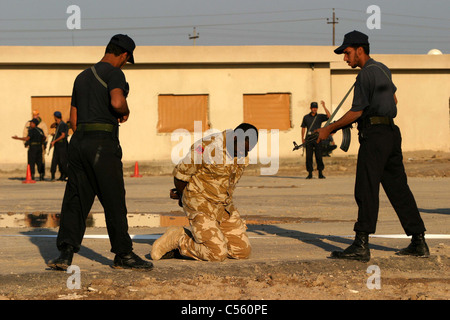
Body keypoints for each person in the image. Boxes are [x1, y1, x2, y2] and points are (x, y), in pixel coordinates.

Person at [315, 30, 428, 262]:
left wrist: (328, 129)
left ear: (359, 50)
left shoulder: (365, 75)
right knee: (399, 189)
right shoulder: (383, 69)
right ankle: (419, 241)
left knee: (366, 188)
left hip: (374, 136)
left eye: (347, 53)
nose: (345, 59)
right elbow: (394, 100)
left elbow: (356, 112)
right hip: (391, 134)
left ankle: (361, 244)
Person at [48, 34, 153, 271]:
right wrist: (125, 110)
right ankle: (123, 255)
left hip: (79, 142)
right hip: (102, 144)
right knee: (113, 198)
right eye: (127, 59)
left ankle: (65, 253)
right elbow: (117, 103)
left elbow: (73, 118)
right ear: (124, 55)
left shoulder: (82, 76)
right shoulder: (115, 73)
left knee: (76, 198)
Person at [151, 123, 258, 262]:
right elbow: (181, 175)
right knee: (217, 254)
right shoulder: (209, 146)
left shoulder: (242, 153)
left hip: (223, 206)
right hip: (200, 203)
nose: (243, 153)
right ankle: (178, 238)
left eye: (248, 150)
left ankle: (212, 240)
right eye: (242, 148)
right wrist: (183, 196)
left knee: (242, 252)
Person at [301, 101, 330, 179]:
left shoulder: (319, 117)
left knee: (319, 155)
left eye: (316, 108)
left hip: (317, 138)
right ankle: (310, 173)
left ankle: (320, 173)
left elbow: (329, 116)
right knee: (309, 156)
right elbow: (303, 128)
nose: (314, 109)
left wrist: (324, 106)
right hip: (309, 139)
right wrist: (302, 138)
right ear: (310, 108)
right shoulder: (306, 117)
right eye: (313, 108)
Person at [23, 110, 48, 179]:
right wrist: (25, 143)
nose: (35, 116)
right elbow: (25, 133)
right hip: (32, 146)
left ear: (38, 115)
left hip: (40, 145)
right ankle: (32, 174)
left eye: (36, 114)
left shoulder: (42, 124)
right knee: (31, 161)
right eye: (34, 114)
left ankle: (41, 174)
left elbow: (45, 134)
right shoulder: (28, 124)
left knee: (41, 161)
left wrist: (45, 143)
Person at [49, 111, 69, 181]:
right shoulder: (58, 124)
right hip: (58, 145)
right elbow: (51, 126)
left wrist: (55, 140)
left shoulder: (62, 125)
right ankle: (55, 175)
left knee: (62, 161)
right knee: (55, 160)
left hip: (62, 145)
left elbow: (63, 135)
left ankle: (65, 175)